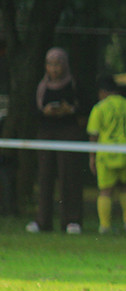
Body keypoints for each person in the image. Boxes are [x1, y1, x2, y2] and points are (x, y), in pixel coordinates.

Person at [27, 47, 84, 234]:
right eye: (50, 64)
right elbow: (34, 111)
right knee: (44, 176)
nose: (54, 69)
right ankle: (42, 221)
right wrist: (45, 112)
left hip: (68, 133)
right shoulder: (41, 87)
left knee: (68, 176)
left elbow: (82, 108)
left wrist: (69, 110)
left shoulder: (73, 84)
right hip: (46, 133)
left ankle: (71, 220)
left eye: (58, 64)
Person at [86, 74, 126, 234]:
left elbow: (93, 133)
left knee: (106, 190)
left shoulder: (99, 107)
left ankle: (104, 226)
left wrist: (91, 156)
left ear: (102, 92)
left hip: (105, 154)